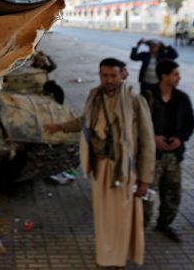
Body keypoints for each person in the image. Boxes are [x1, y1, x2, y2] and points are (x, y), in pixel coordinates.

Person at [45, 58, 155, 269]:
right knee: (104, 215)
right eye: (104, 75)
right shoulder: (94, 97)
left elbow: (147, 142)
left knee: (123, 215)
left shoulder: (135, 101)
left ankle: (120, 259)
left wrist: (145, 179)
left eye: (113, 75)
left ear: (123, 74)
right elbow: (84, 121)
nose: (108, 80)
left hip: (124, 169)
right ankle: (106, 256)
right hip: (100, 166)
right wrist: (60, 127)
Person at [142, 60, 194, 242]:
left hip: (173, 155)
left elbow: (190, 122)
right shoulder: (147, 97)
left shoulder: (182, 98)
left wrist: (180, 139)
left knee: (172, 193)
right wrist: (153, 138)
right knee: (147, 194)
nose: (179, 77)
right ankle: (140, 228)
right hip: (152, 156)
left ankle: (164, 224)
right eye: (175, 74)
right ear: (164, 76)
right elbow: (138, 124)